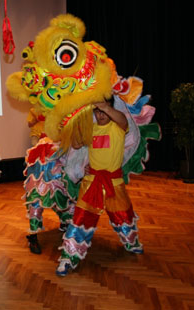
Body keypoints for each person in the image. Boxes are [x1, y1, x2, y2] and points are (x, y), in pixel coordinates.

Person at [56, 96, 144, 276]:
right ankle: (68, 257)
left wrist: (103, 104)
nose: (101, 114)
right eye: (98, 112)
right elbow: (75, 143)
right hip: (91, 183)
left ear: (111, 109)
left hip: (114, 183)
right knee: (80, 220)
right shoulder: (91, 129)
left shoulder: (119, 127)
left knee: (123, 216)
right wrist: (75, 124)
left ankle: (131, 241)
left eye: (104, 110)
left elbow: (119, 117)